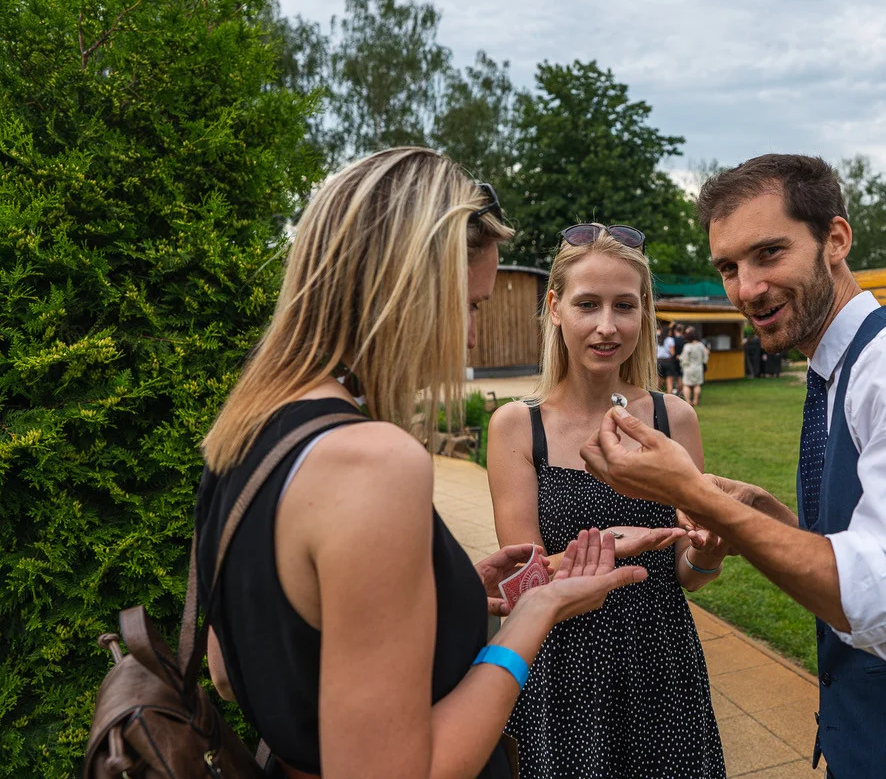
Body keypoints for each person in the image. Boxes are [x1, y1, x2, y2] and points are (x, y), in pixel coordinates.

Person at [582, 154, 886, 779]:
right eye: (729, 267)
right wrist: (764, 517)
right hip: (873, 750)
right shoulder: (838, 371)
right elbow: (867, 554)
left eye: (769, 253)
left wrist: (697, 493)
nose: (746, 288)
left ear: (836, 239)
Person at [195, 148, 647, 779]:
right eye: (471, 306)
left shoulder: (248, 427)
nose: (468, 337)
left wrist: (441, 589)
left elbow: (228, 667)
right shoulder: (373, 462)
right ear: (406, 288)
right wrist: (537, 613)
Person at [487, 222, 727, 779]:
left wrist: (709, 550)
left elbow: (684, 573)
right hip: (565, 665)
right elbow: (525, 581)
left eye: (624, 306)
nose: (606, 327)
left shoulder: (674, 419)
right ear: (554, 307)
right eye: (587, 304)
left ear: (644, 312)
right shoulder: (518, 428)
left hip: (661, 660)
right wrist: (612, 548)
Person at [680, 327, 710, 406]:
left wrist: (681, 362)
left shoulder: (687, 346)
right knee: (697, 384)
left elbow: (684, 358)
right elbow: (705, 355)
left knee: (686, 385)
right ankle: (696, 400)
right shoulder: (700, 345)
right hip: (698, 367)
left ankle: (688, 401)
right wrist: (703, 361)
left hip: (688, 368)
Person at [657, 324, 680, 394]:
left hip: (658, 361)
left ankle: (657, 397)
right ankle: (669, 398)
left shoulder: (657, 339)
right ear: (668, 332)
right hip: (668, 361)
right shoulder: (670, 340)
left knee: (658, 382)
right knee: (669, 382)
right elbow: (672, 352)